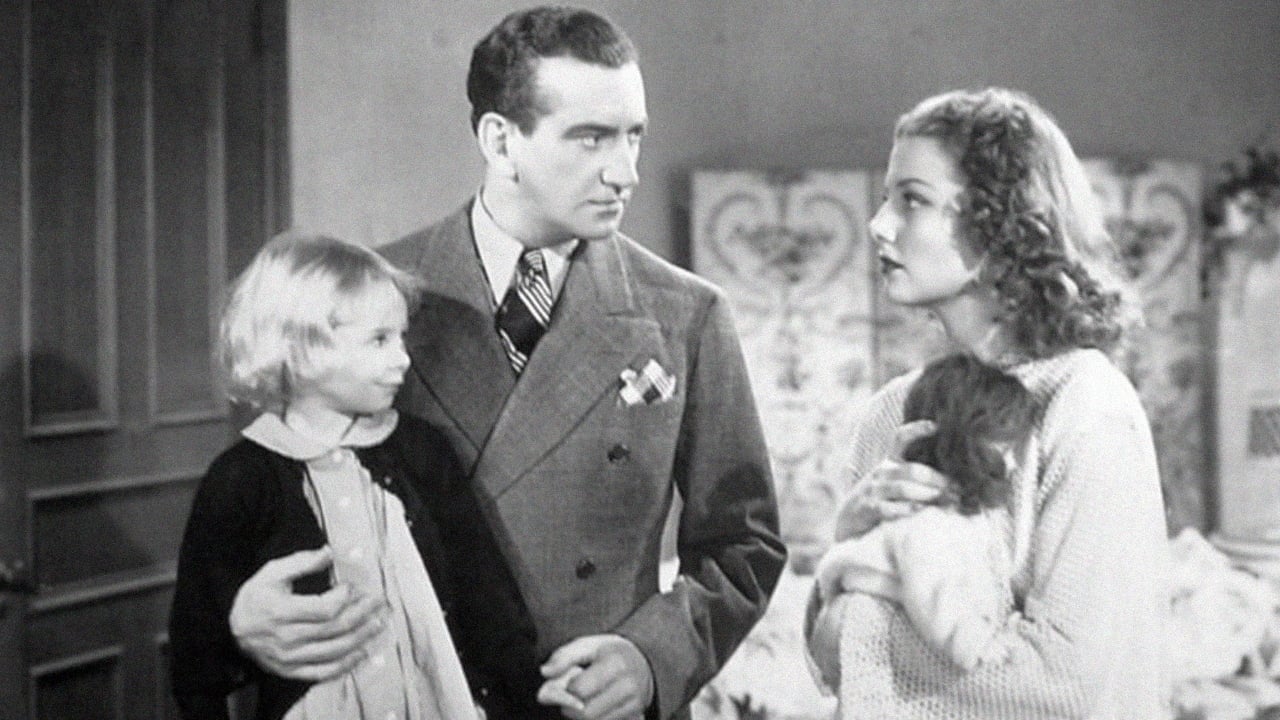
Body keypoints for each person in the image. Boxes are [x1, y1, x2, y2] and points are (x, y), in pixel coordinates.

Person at [225, 7, 787, 720]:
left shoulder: (687, 315)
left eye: (633, 135)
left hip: (582, 701)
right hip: (405, 693)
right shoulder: (370, 295)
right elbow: (267, 493)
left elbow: (743, 543)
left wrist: (650, 658)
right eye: (590, 138)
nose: (626, 172)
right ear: (499, 140)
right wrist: (243, 614)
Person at [806, 88, 1170, 718]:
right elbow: (828, 662)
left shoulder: (1086, 406)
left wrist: (852, 629)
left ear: (997, 221)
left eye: (911, 199)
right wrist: (849, 540)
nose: (878, 225)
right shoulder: (891, 413)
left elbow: (1069, 682)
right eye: (887, 198)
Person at [170, 233, 538, 720]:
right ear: (300, 351)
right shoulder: (240, 479)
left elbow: (490, 603)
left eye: (401, 337)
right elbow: (196, 655)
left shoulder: (424, 452)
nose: (403, 358)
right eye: (380, 340)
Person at [810, 352, 1039, 676]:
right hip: (869, 638)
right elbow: (934, 599)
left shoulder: (955, 511)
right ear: (959, 442)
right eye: (1002, 449)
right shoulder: (925, 518)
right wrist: (977, 646)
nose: (1013, 465)